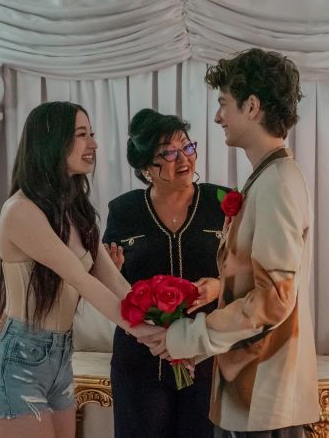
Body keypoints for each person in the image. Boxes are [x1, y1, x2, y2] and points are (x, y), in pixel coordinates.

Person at [141, 48, 320, 437]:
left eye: (224, 104)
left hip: (265, 398)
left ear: (251, 106)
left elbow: (273, 299)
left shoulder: (277, 183)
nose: (218, 117)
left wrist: (187, 337)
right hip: (251, 392)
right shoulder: (268, 178)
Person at [0, 101, 159, 438]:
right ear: (52, 142)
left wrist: (163, 323)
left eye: (92, 134)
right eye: (81, 135)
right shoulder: (20, 211)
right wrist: (146, 334)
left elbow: (116, 284)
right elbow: (80, 280)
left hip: (61, 354)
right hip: (19, 359)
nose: (93, 144)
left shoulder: (77, 211)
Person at [103, 108, 227, 438]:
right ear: (146, 168)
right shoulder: (124, 211)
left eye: (187, 147)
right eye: (168, 153)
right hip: (141, 361)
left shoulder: (222, 202)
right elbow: (106, 282)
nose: (183, 158)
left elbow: (249, 273)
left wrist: (219, 287)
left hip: (206, 357)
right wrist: (111, 273)